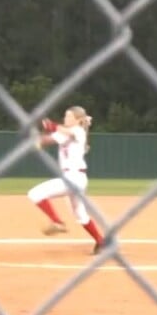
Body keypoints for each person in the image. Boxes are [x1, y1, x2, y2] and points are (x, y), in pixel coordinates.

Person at [28, 105, 105, 255]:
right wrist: (37, 139)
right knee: (80, 215)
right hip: (74, 179)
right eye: (65, 116)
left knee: (35, 193)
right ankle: (100, 242)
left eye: (69, 116)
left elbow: (67, 131)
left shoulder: (78, 131)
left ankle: (57, 221)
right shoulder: (65, 133)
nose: (65, 118)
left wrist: (50, 125)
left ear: (78, 120)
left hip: (74, 177)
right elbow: (48, 139)